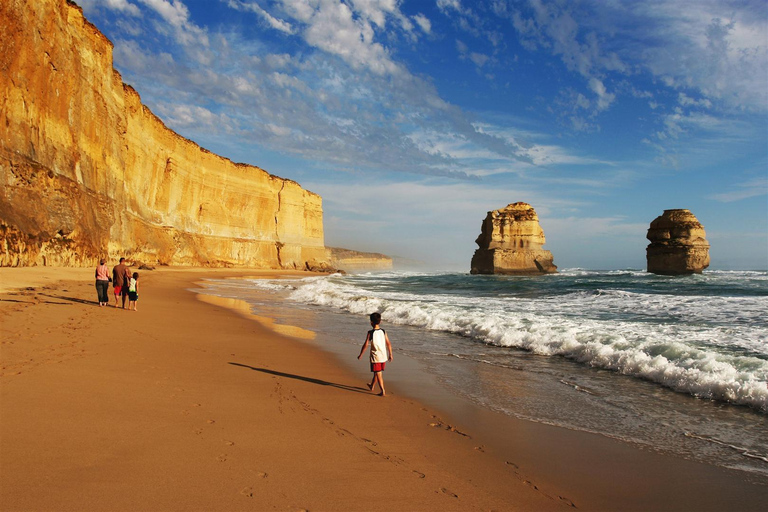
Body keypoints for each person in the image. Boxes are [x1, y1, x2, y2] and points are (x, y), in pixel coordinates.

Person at [357, 312, 393, 396]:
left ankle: (382, 391)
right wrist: (390, 354)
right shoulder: (383, 331)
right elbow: (389, 343)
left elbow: (365, 345)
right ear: (380, 321)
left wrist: (361, 354)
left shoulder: (370, 333)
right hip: (383, 356)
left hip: (376, 357)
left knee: (378, 373)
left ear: (371, 322)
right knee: (377, 372)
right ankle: (372, 385)